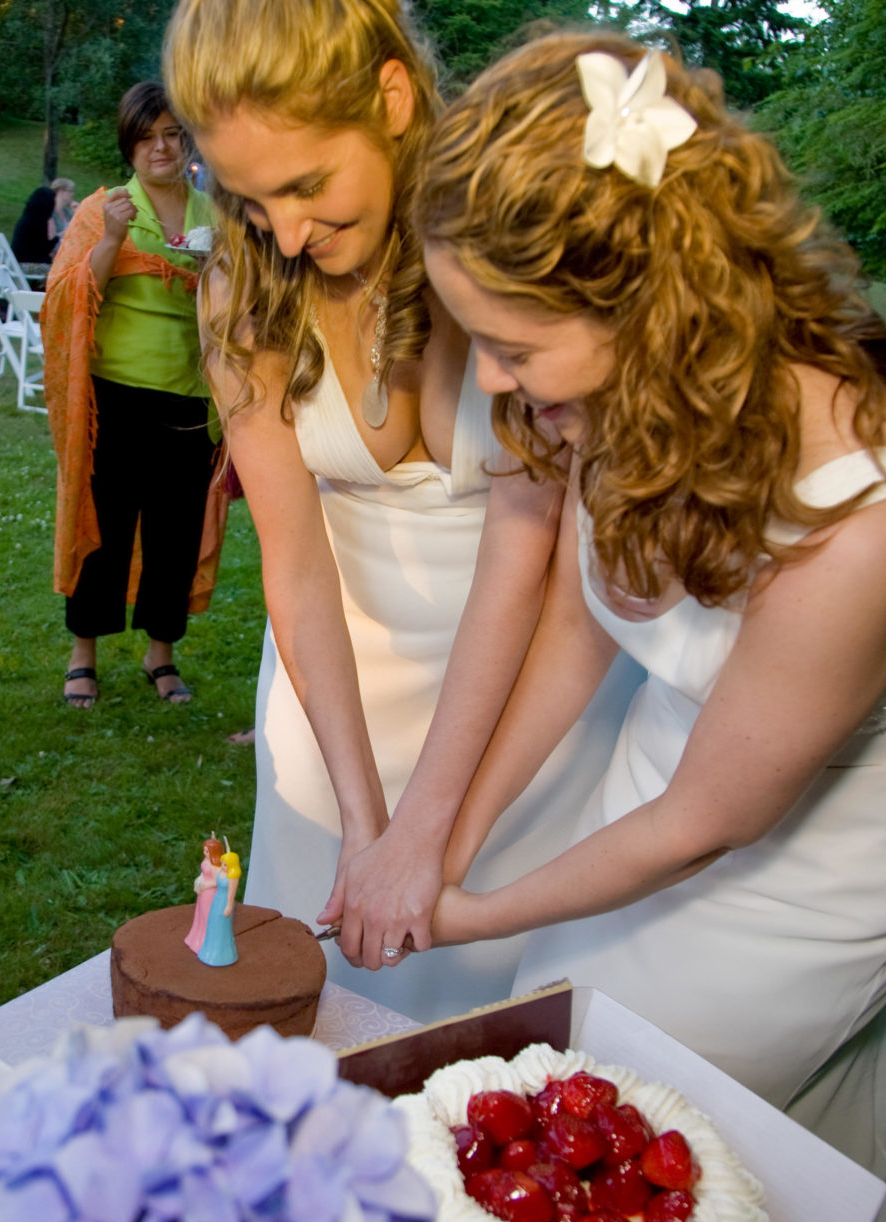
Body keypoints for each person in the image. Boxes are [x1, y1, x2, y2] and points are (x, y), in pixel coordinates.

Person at [414, 34, 886, 1222]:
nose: (494, 382)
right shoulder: (630, 390)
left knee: (627, 1134)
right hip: (659, 781)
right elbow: (579, 624)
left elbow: (712, 813)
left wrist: (470, 909)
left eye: (511, 346)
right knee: (660, 1111)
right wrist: (446, 834)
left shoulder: (876, 505)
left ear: (643, 299)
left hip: (812, 863)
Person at [162, 0, 639, 1022]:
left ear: (390, 98)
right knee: (321, 1017)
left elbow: (530, 552)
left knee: (491, 1028)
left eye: (303, 185)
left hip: (518, 697)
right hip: (334, 692)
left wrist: (427, 828)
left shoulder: (504, 243)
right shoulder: (242, 283)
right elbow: (294, 562)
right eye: (248, 197)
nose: (284, 232)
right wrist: (361, 812)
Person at [43, 82, 227, 710]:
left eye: (172, 134)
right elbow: (67, 298)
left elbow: (241, 306)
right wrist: (112, 242)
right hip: (113, 398)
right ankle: (83, 655)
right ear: (130, 144)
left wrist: (218, 278)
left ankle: (162, 654)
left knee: (175, 533)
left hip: (189, 398)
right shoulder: (106, 207)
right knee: (105, 528)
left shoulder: (215, 215)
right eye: (147, 137)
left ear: (187, 141)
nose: (161, 147)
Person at [10, 175, 75, 267]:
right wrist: (59, 237)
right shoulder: (38, 223)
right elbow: (45, 248)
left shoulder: (28, 219)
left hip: (19, 261)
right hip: (27, 263)